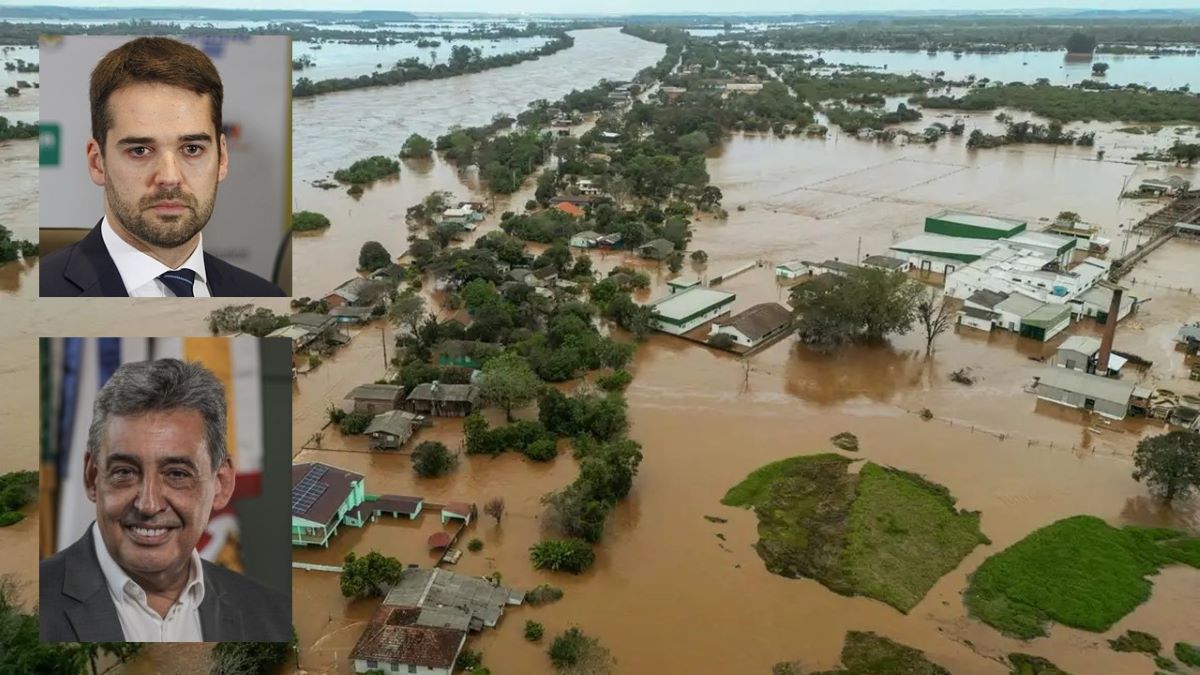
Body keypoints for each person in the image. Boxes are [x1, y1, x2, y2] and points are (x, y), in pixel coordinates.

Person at [40, 358, 289, 642]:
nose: (148, 504)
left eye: (176, 474)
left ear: (221, 484)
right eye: (124, 472)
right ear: (92, 477)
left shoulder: (273, 618)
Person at [39, 37, 285, 297]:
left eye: (192, 149)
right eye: (140, 151)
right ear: (97, 163)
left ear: (222, 158)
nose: (169, 178)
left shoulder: (266, 297)